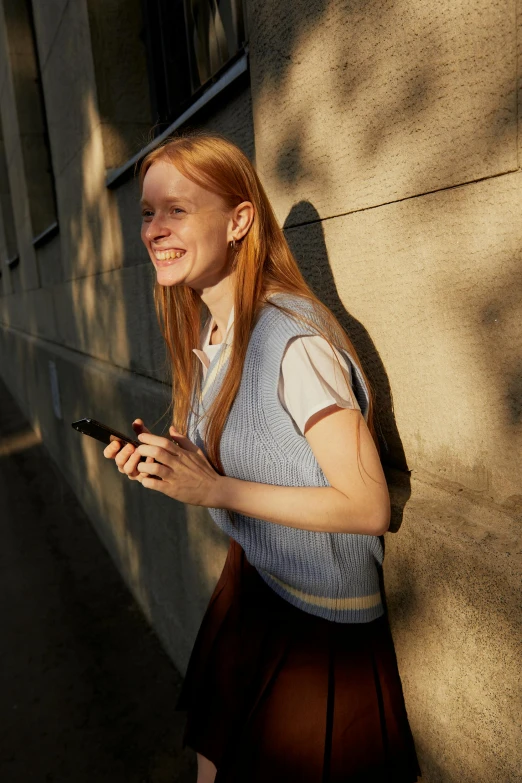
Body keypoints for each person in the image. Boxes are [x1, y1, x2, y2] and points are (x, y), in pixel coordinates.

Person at [103, 130, 421, 783]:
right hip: (253, 584)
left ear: (240, 219)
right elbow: (258, 452)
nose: (155, 230)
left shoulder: (291, 338)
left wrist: (213, 490)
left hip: (317, 626)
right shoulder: (216, 327)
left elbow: (368, 504)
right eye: (147, 213)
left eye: (177, 209)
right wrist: (175, 460)